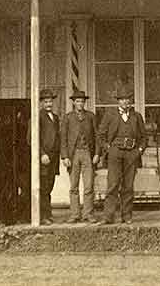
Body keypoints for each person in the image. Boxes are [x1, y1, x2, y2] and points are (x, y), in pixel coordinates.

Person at [97, 89, 147, 225]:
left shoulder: (137, 116)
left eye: (127, 99)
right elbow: (100, 135)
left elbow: (144, 137)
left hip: (132, 154)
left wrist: (140, 150)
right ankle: (108, 216)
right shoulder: (110, 115)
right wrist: (108, 149)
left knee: (128, 186)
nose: (125, 102)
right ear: (118, 101)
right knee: (113, 184)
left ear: (130, 101)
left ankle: (127, 216)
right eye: (122, 99)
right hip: (115, 153)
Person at [60, 89, 100, 223]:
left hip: (88, 153)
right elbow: (63, 138)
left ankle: (88, 213)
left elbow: (97, 136)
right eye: (77, 101)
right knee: (74, 186)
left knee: (89, 185)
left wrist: (97, 154)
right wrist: (65, 156)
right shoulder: (68, 117)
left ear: (84, 103)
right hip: (73, 154)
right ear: (73, 103)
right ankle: (75, 214)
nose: (80, 104)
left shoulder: (91, 116)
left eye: (82, 101)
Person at [32, 89, 61, 224]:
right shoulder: (37, 117)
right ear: (41, 103)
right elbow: (31, 138)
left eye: (50, 101)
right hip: (43, 158)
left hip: (53, 158)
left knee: (49, 186)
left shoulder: (55, 117)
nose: (49, 104)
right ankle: (42, 216)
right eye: (46, 101)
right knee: (43, 187)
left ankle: (48, 214)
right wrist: (42, 154)